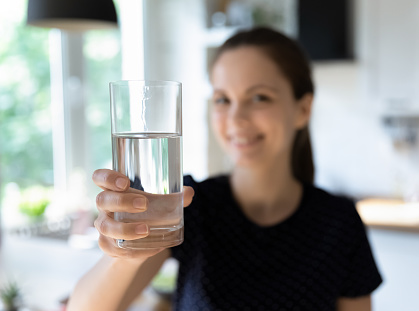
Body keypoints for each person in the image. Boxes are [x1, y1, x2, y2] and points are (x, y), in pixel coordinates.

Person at [67, 27, 382, 311]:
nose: (235, 119)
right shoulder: (188, 205)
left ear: (302, 109)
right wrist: (123, 254)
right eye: (222, 99)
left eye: (259, 97)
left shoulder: (340, 223)